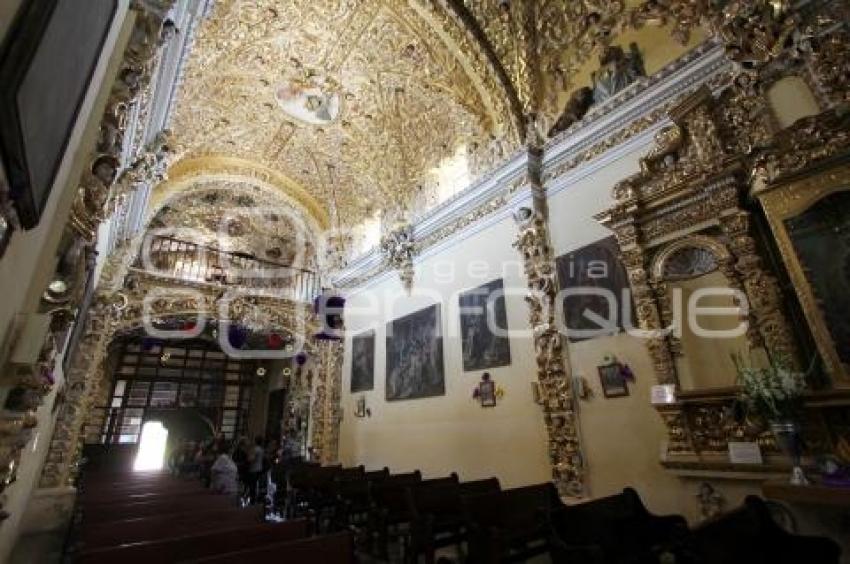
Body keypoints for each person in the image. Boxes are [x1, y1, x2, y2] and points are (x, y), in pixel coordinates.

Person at [246, 435, 265, 504]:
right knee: (257, 485)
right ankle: (256, 498)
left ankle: (252, 500)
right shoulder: (261, 449)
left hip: (253, 469)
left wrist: (248, 458)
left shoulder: (256, 449)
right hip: (259, 468)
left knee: (252, 486)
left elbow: (251, 459)